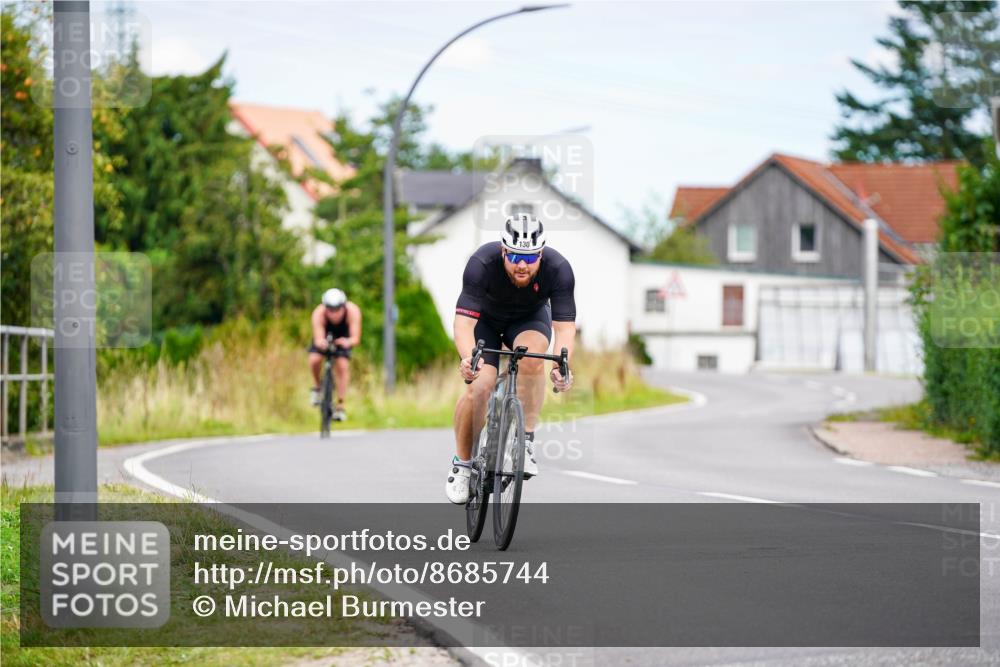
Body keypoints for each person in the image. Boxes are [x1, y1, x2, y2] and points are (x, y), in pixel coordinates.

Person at [446, 213, 576, 504]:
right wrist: (469, 359)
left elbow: (565, 327)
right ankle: (463, 465)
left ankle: (524, 442)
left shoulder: (559, 269)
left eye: (530, 258)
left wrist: (562, 366)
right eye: (515, 255)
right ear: (503, 250)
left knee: (532, 360)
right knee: (480, 386)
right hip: (486, 322)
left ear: (541, 255)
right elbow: (463, 325)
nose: (522, 264)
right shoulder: (481, 264)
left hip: (529, 321)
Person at [309, 288, 362, 421]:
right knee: (314, 359)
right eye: (330, 309)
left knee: (342, 366)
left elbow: (356, 338)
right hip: (325, 335)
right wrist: (321, 343)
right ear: (325, 307)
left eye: (337, 309)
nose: (334, 313)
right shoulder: (318, 313)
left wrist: (348, 341)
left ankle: (340, 405)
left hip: (344, 338)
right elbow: (318, 338)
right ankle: (317, 387)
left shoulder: (353, 312)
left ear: (343, 306)